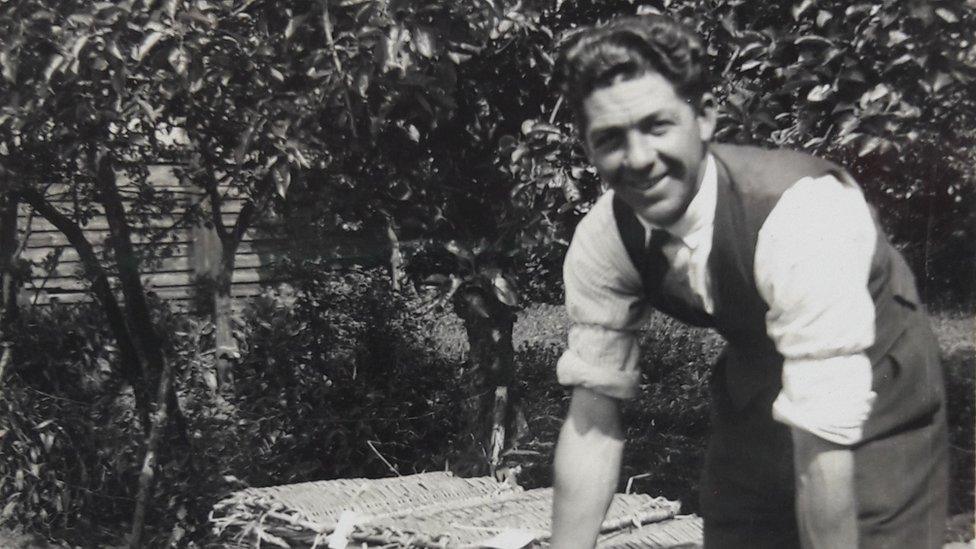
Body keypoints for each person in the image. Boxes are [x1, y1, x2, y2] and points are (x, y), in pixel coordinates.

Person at [549, 14, 948, 549]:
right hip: (759, 384)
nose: (639, 158)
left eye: (658, 126)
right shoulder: (605, 238)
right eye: (611, 138)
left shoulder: (801, 216)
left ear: (705, 118)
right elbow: (592, 423)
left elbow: (823, 446)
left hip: (874, 388)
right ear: (588, 146)